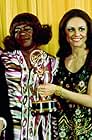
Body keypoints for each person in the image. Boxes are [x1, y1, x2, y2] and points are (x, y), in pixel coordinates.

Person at [0, 13, 58, 140]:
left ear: (37, 32)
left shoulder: (52, 62)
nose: (22, 33)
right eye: (17, 30)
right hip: (12, 127)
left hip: (42, 129)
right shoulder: (3, 57)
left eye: (27, 29)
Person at [38, 9, 92, 139]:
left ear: (89, 31)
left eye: (81, 29)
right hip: (60, 130)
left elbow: (91, 101)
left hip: (86, 131)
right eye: (71, 29)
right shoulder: (60, 58)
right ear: (64, 33)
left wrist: (57, 90)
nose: (76, 33)